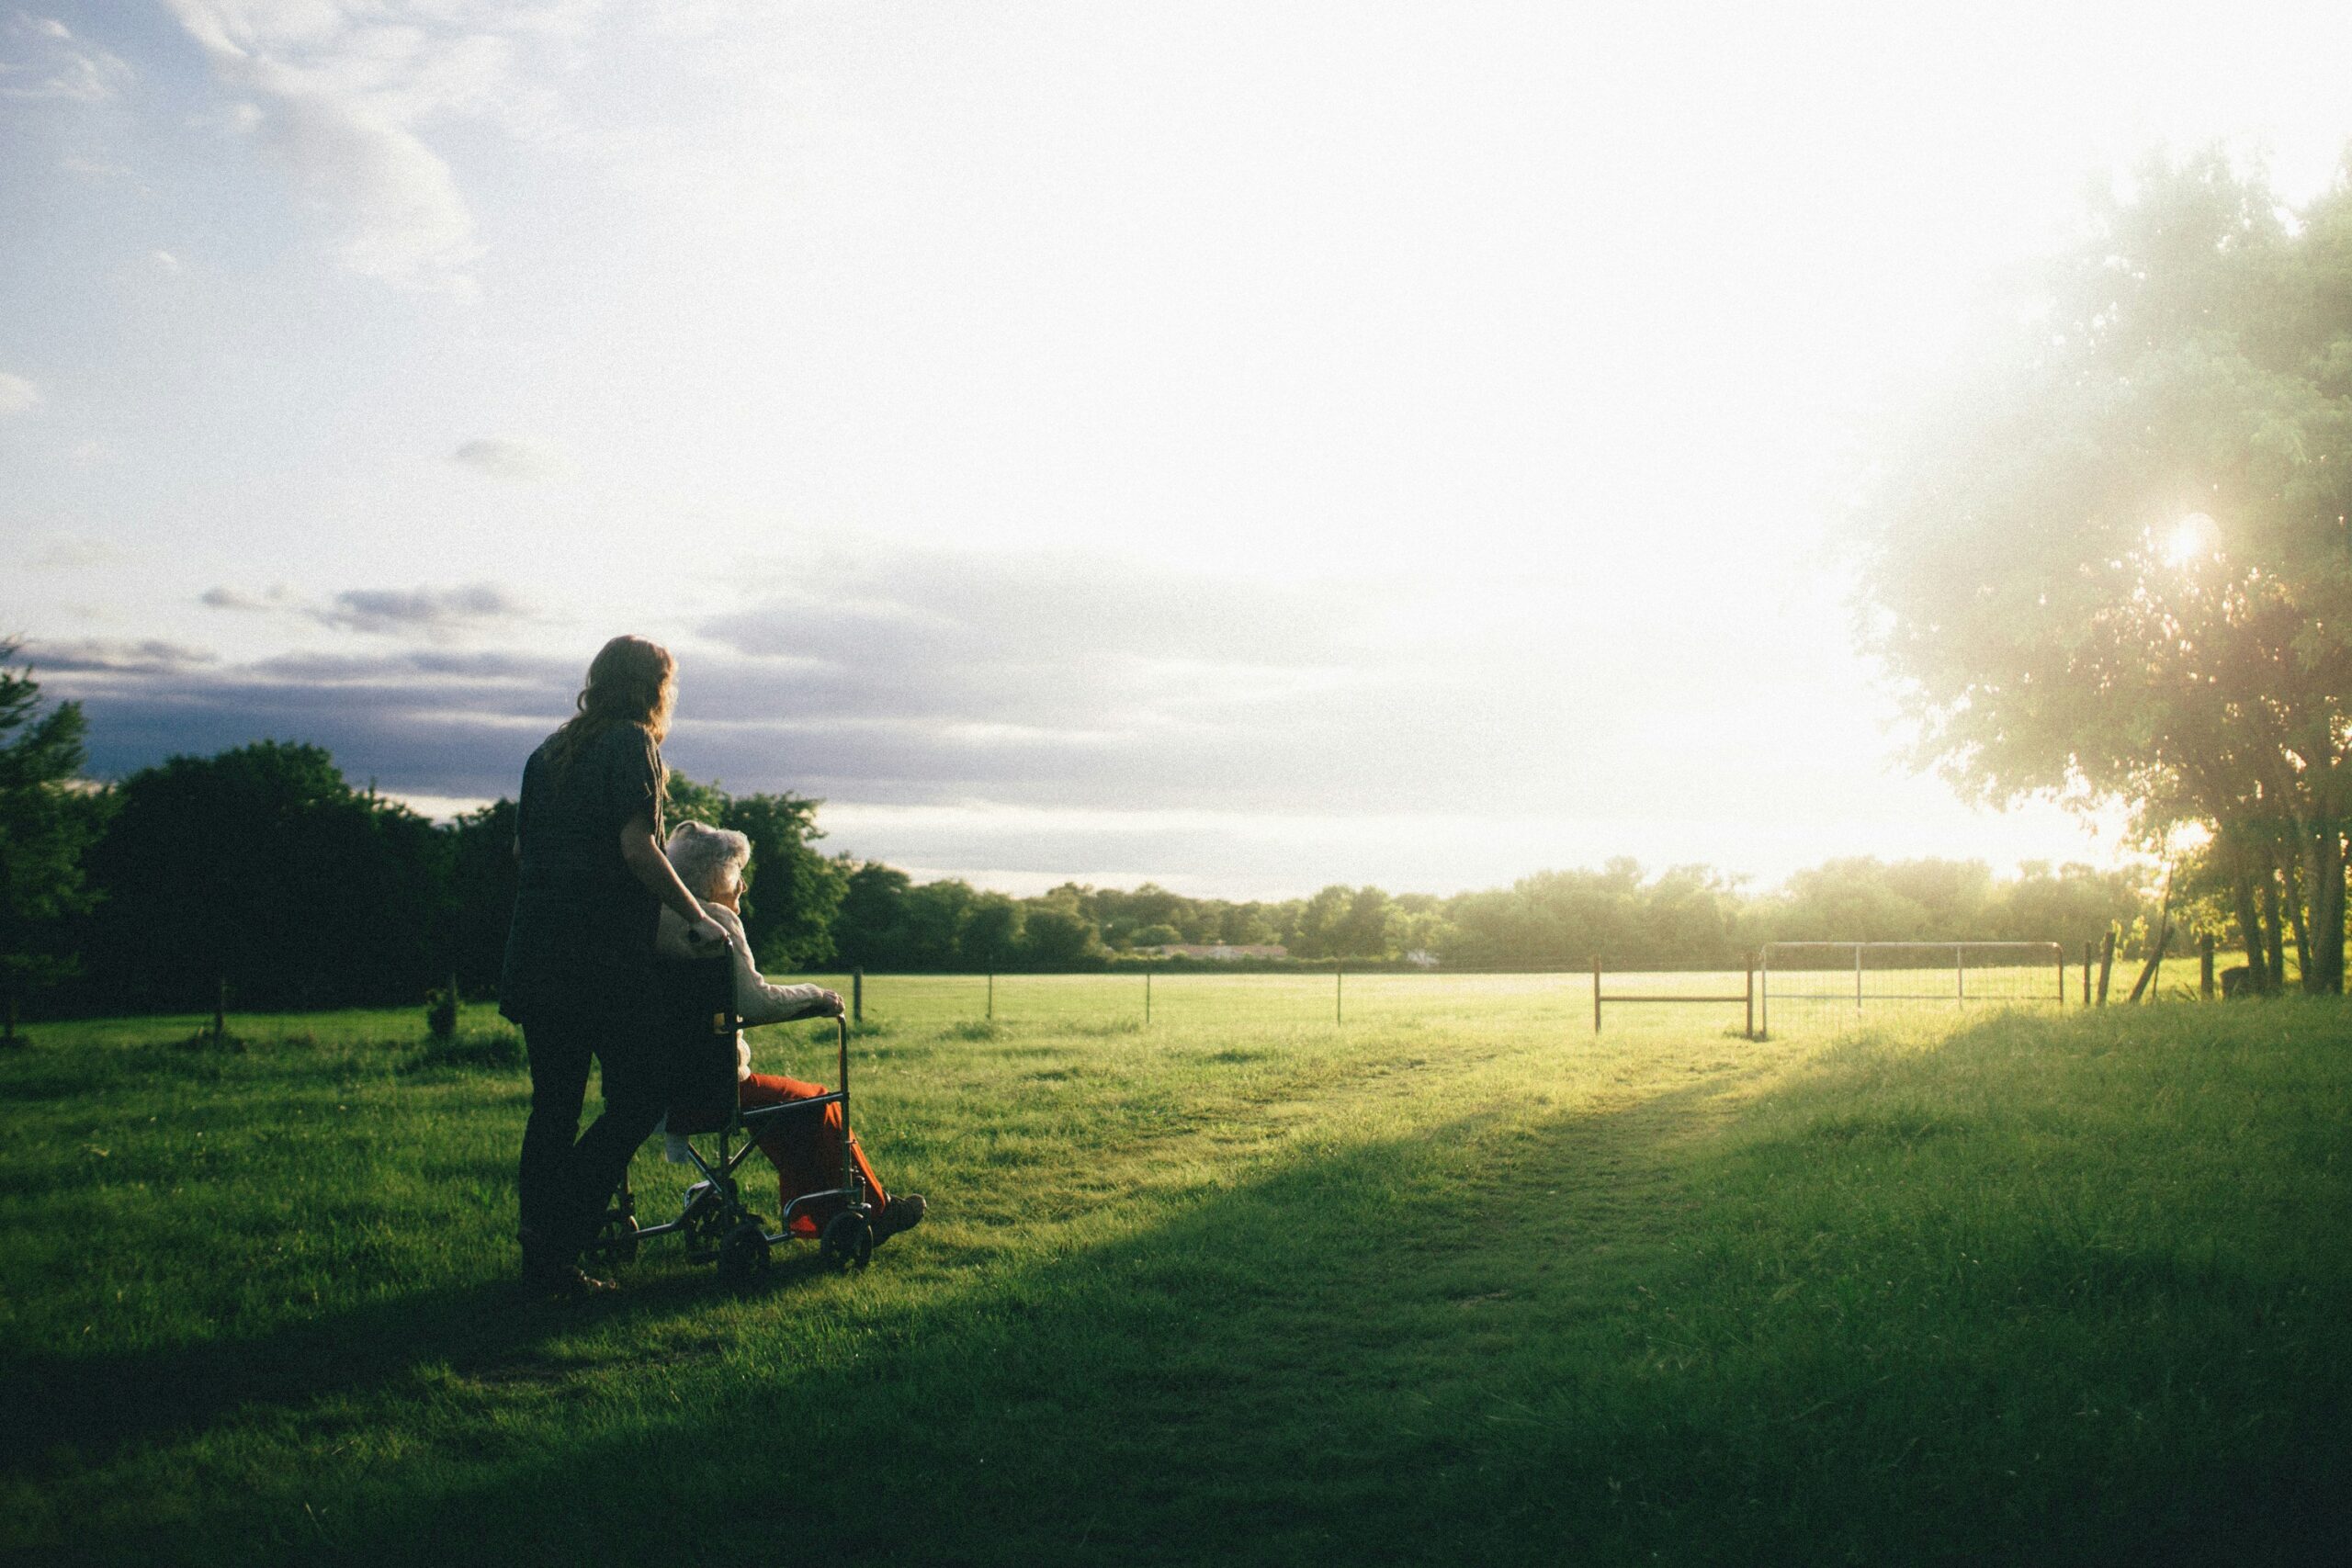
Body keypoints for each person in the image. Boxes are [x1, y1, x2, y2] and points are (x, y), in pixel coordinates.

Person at [499, 635, 730, 1294]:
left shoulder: (546, 754)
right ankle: (558, 1232)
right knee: (639, 1096)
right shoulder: (633, 745)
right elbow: (638, 848)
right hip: (597, 961)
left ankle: (541, 1255)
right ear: (654, 687)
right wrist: (697, 914)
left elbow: (524, 850)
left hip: (537, 953)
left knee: (554, 1107)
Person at [654, 820, 926, 1246]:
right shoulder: (715, 922)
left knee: (787, 1108)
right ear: (714, 876)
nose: (743, 884)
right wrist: (815, 995)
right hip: (713, 1087)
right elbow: (756, 1001)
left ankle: (816, 1216)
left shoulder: (655, 920)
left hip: (657, 1086)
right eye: (736, 872)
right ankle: (873, 1210)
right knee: (817, 1101)